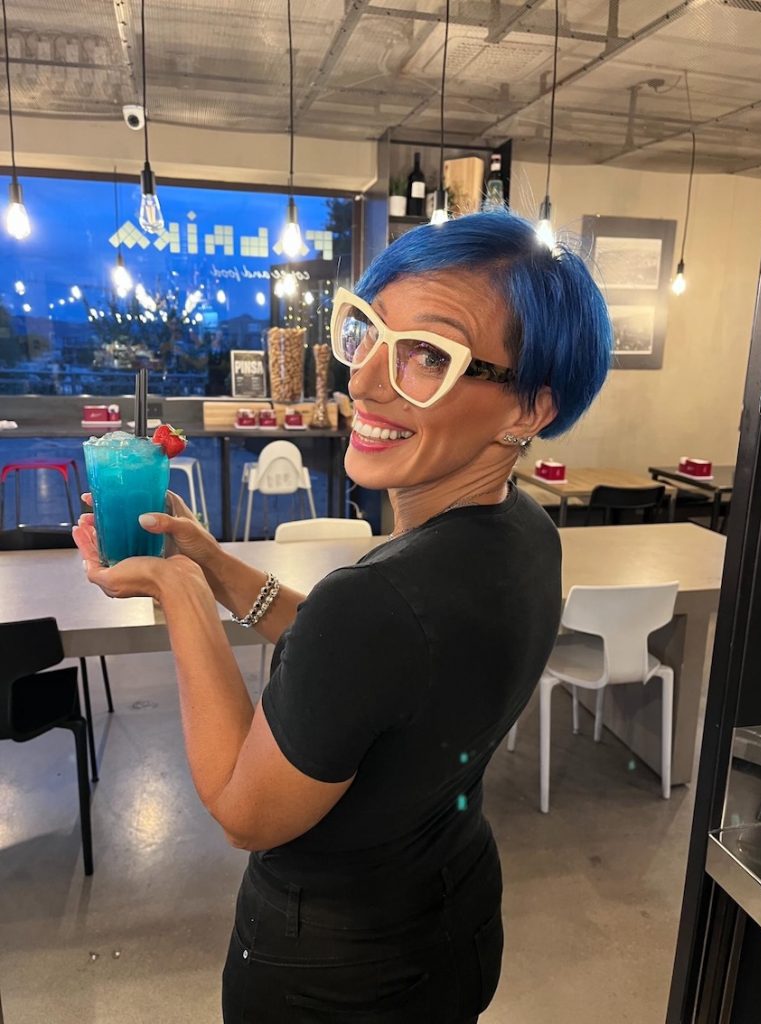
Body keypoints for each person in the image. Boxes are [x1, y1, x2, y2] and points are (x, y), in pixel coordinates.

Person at [73, 211, 612, 1023]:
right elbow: (368, 674)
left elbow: (245, 811)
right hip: (456, 918)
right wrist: (212, 564)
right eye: (368, 332)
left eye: (428, 355)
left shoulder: (376, 604)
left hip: (337, 979)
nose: (362, 383)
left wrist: (179, 595)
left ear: (529, 410)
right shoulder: (526, 533)